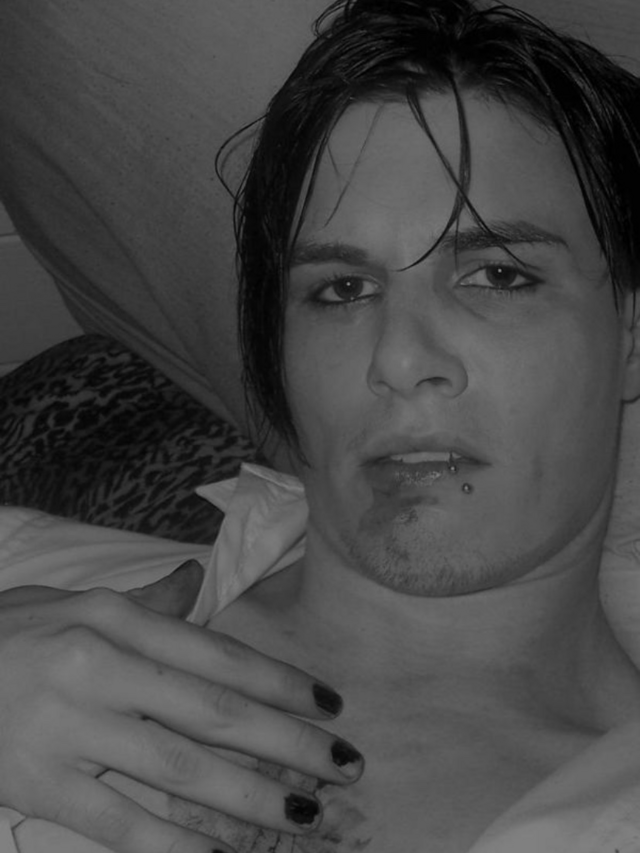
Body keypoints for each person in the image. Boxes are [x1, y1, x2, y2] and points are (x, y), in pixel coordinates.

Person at [3, 0, 640, 850]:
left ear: (630, 331)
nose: (399, 358)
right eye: (342, 290)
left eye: (496, 274)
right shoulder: (25, 584)